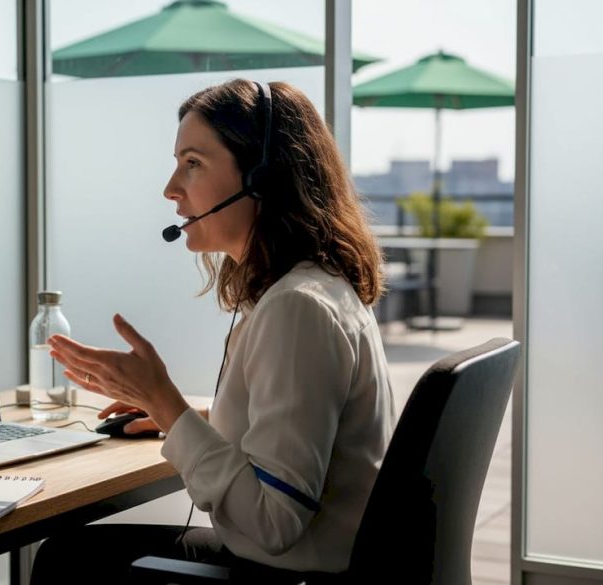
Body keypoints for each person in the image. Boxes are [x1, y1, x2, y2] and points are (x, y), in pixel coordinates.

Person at [31, 79, 396, 583]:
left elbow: (274, 523)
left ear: (262, 178)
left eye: (193, 163)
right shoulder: (315, 286)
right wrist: (187, 416)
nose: (170, 188)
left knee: (67, 560)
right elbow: (302, 428)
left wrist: (165, 403)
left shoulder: (297, 309)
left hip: (284, 571)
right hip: (314, 561)